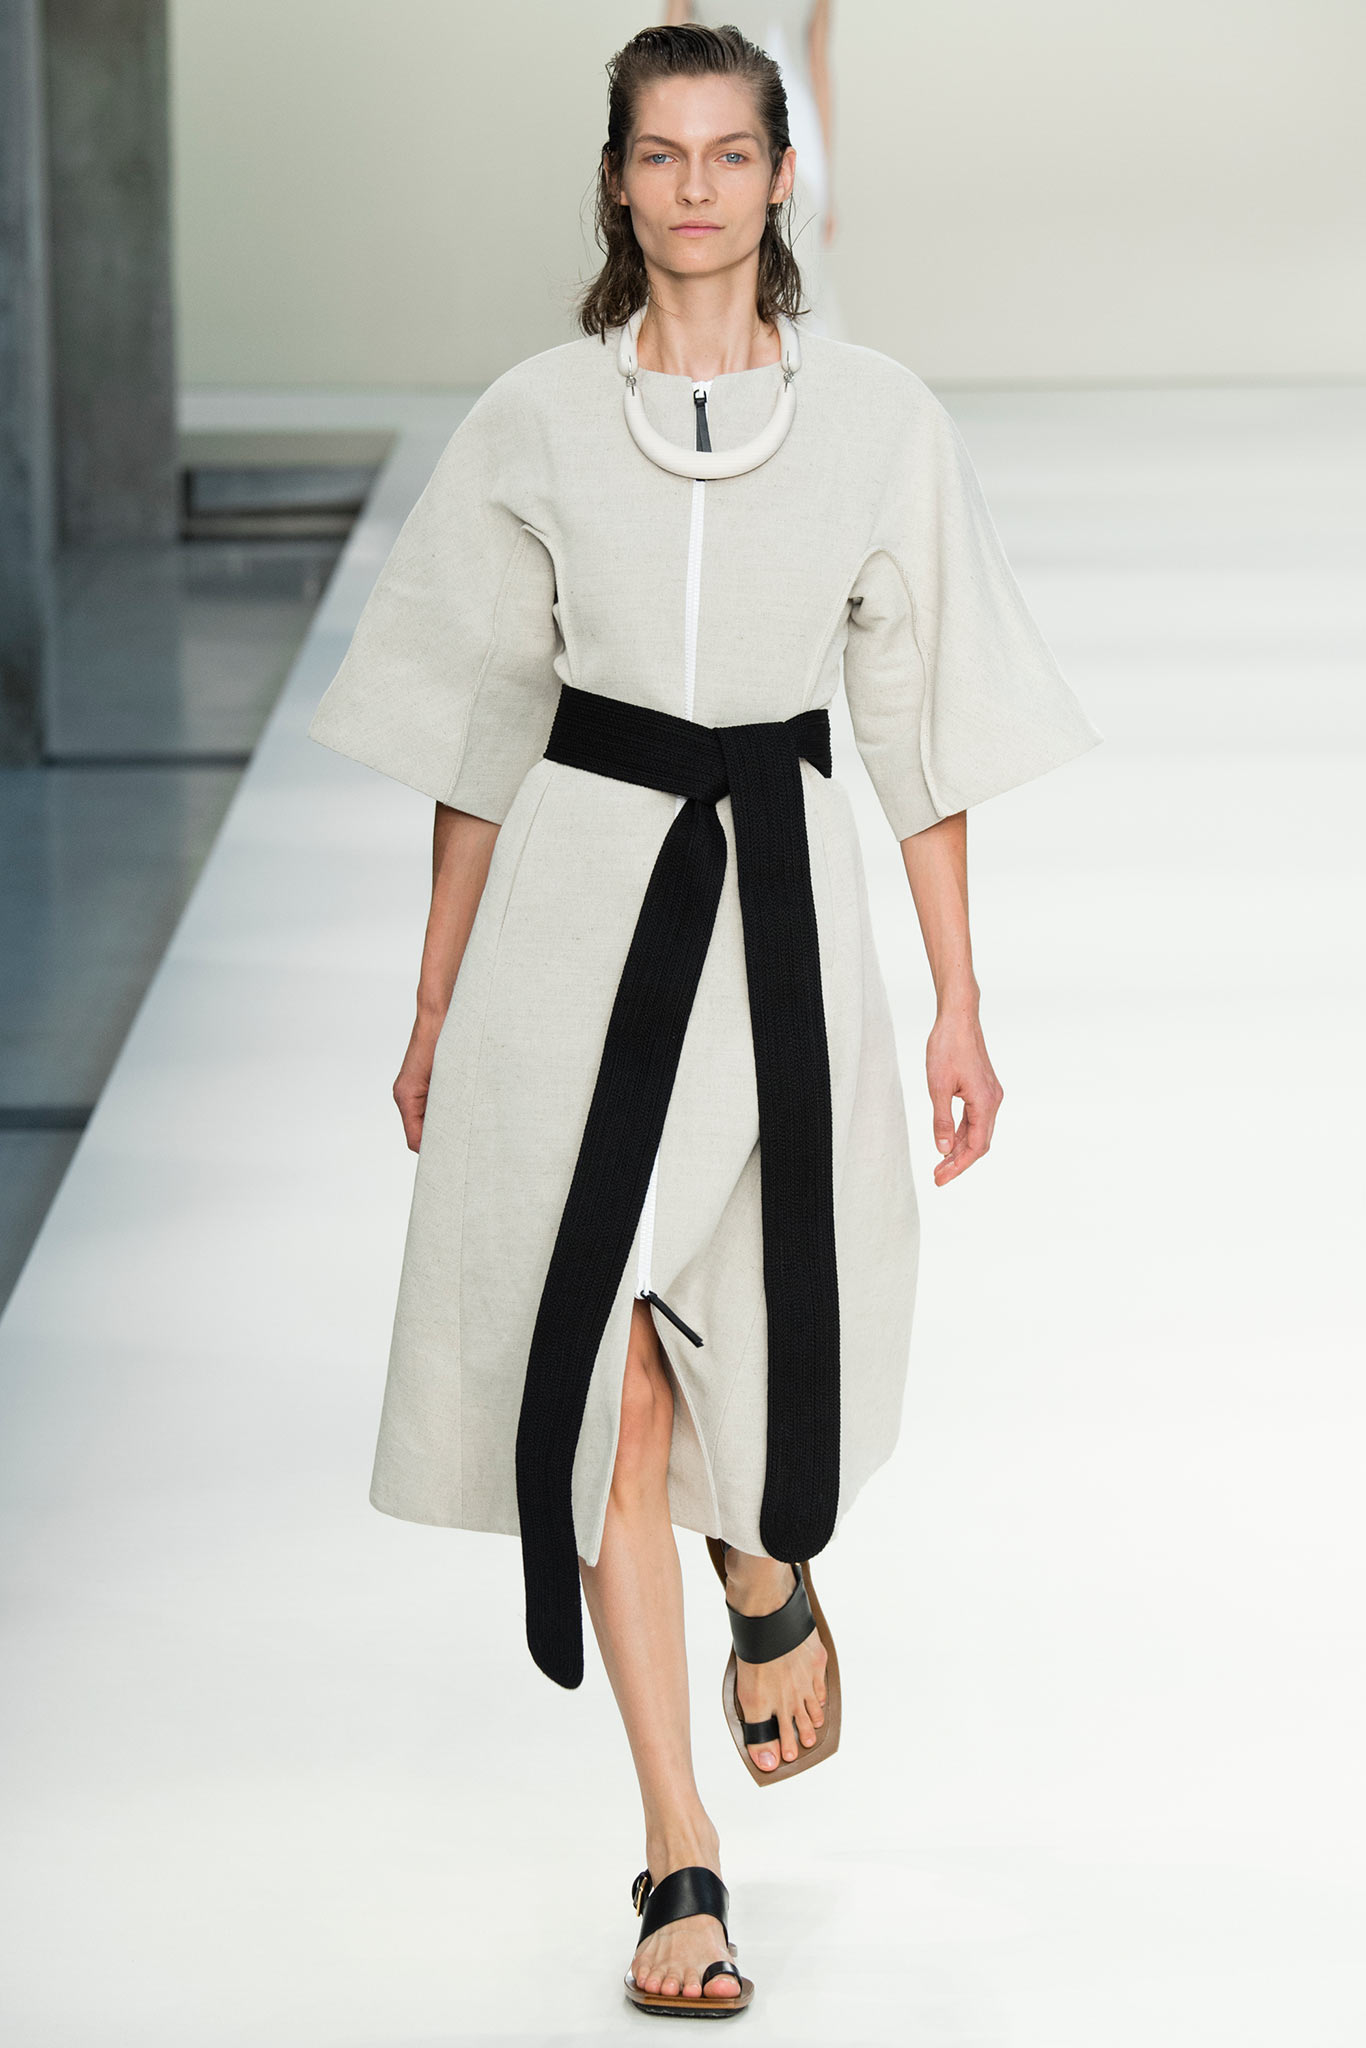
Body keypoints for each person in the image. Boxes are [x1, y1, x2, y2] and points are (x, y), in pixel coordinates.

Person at [305, 21, 1101, 2021]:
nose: (691, 187)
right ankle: (678, 1848)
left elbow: (918, 728)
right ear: (615, 179)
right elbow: (479, 729)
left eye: (725, 153)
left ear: (777, 175)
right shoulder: (532, 420)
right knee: (596, 1367)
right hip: (571, 912)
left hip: (776, 916)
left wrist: (961, 997)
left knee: (751, 1324)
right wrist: (429, 995)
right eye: (657, 154)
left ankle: (761, 1557)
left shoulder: (875, 421)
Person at [669, 1, 845, 335]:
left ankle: (796, 362)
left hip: (797, 135)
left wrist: (827, 185)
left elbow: (818, 65)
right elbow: (664, 57)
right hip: (717, 125)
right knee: (719, 256)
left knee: (802, 270)